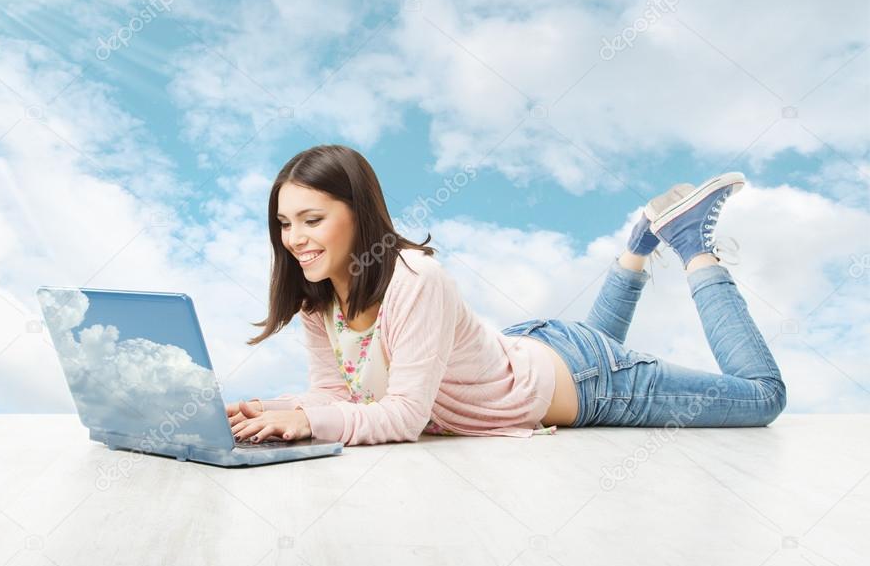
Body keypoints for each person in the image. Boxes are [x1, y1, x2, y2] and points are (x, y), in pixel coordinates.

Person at [227, 145, 786, 446]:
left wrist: (308, 422)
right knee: (595, 345)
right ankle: (639, 243)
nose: (294, 240)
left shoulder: (415, 279)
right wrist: (280, 410)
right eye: (283, 223)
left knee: (763, 398)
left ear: (359, 213)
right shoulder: (317, 301)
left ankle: (688, 243)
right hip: (523, 352)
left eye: (312, 219)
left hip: (587, 382)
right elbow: (339, 395)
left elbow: (400, 418)